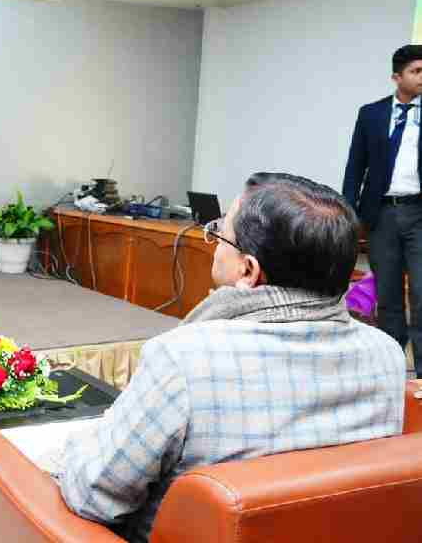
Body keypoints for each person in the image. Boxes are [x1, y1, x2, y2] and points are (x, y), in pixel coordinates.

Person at [53, 173, 406, 543]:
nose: (214, 244)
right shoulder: (386, 353)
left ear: (248, 271)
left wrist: (75, 445)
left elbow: (94, 497)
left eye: (219, 233)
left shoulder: (184, 359)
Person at [343, 44, 422, 377]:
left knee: (421, 294)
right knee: (387, 295)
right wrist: (349, 213)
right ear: (396, 77)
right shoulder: (371, 114)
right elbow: (355, 166)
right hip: (381, 215)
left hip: (419, 213)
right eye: (416, 71)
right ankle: (391, 368)